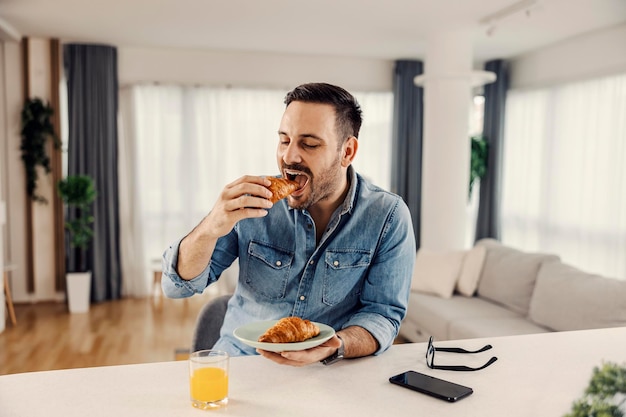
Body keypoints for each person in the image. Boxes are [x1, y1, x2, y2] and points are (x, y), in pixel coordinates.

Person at [162, 82, 415, 367]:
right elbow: (177, 288)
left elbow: (383, 314)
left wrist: (335, 346)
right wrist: (211, 226)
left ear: (347, 152)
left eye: (309, 143)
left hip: (328, 372)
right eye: (284, 140)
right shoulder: (251, 201)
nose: (289, 157)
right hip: (244, 365)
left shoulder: (388, 217)